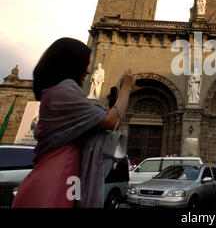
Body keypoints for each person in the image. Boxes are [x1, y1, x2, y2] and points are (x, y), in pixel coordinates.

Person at [12, 37, 135, 208]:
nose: (87, 71)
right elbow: (110, 121)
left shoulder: (59, 93)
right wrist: (126, 90)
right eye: (85, 63)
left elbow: (111, 127)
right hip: (55, 179)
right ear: (69, 63)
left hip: (66, 176)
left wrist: (113, 105)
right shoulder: (62, 91)